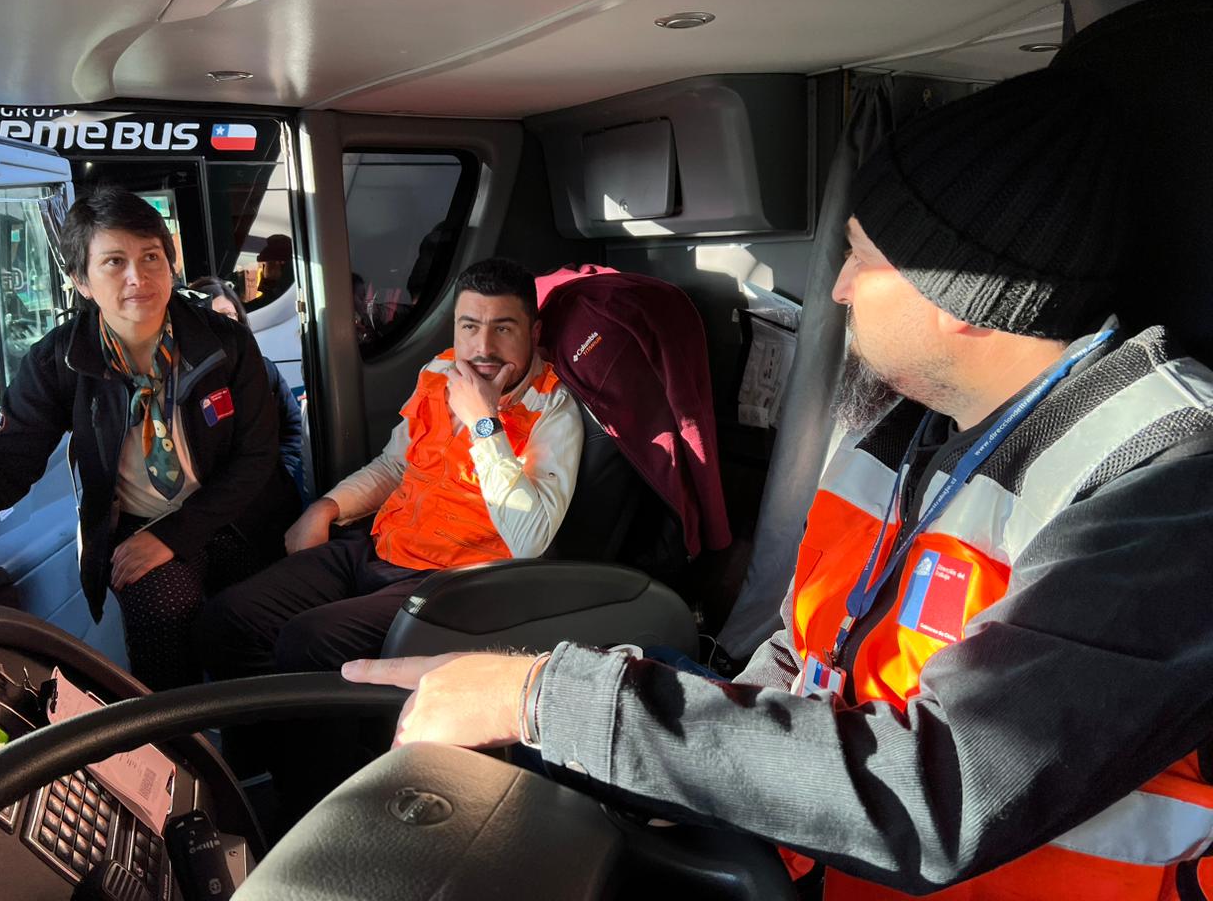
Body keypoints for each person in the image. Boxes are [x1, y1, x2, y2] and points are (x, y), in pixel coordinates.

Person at [343, 64, 1213, 899]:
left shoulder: (1166, 479)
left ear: (956, 291)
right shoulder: (899, 433)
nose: (837, 289)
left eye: (860, 257)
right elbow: (800, 656)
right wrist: (590, 723)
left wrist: (550, 702)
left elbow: (945, 789)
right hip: (815, 867)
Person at [0, 187, 302, 691]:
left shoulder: (226, 342)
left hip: (240, 516)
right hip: (142, 522)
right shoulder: (58, 361)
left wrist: (175, 535)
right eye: (114, 262)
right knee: (161, 619)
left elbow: (257, 456)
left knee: (250, 635)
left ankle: (254, 731)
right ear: (81, 281)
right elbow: (3, 466)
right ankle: (174, 731)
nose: (138, 277)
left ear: (170, 264)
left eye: (151, 257)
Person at [200, 256, 583, 677]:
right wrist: (326, 507)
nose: (483, 348)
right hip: (381, 545)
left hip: (452, 579)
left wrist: (483, 422)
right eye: (470, 327)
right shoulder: (439, 372)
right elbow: (396, 465)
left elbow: (531, 540)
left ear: (534, 333)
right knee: (229, 617)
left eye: (503, 329)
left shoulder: (552, 409)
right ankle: (269, 718)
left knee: (308, 639)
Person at [187, 276, 303, 489]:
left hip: (267, 497)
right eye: (210, 317)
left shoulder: (264, 369)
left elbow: (292, 427)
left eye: (228, 315)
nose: (222, 325)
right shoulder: (183, 384)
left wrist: (282, 470)